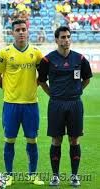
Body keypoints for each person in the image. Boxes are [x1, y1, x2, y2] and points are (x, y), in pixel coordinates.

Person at [37, 26, 93, 187]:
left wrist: (76, 91)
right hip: (56, 104)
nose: (66, 40)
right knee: (56, 140)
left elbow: (87, 79)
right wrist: (53, 95)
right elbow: (41, 81)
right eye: (62, 37)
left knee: (74, 139)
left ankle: (74, 176)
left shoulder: (80, 59)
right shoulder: (48, 60)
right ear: (56, 40)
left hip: (75, 103)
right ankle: (55, 176)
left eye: (68, 37)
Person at [0, 19, 44, 187]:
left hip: (31, 104)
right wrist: (8, 90)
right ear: (12, 33)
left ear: (27, 31)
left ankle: (33, 175)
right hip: (11, 105)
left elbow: (44, 74)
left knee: (32, 140)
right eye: (17, 30)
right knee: (10, 140)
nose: (21, 32)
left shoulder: (36, 53)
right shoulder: (4, 53)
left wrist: (33, 85)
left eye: (23, 29)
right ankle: (9, 175)